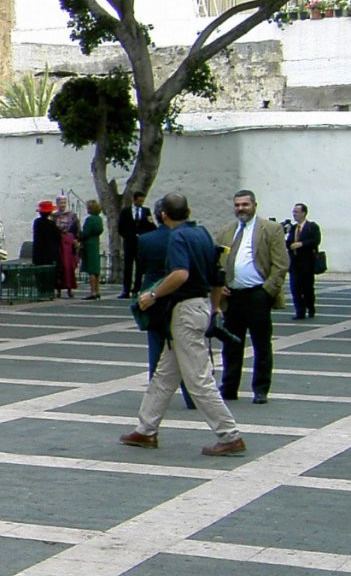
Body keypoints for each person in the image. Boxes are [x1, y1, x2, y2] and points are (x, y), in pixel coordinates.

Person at [121, 192, 245, 456]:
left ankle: (229, 434)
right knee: (165, 374)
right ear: (188, 210)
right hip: (199, 305)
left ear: (163, 215)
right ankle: (146, 429)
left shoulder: (178, 236)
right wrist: (213, 308)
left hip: (185, 310)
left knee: (198, 380)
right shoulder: (201, 233)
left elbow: (180, 274)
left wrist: (152, 294)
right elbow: (216, 275)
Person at [215, 189, 289, 404]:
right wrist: (220, 286)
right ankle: (229, 387)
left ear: (254, 205)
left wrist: (268, 291)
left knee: (261, 344)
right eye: (237, 205)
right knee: (231, 345)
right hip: (232, 296)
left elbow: (281, 264)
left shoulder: (271, 229)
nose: (241, 209)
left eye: (245, 205)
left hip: (258, 295)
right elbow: (217, 261)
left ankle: (261, 389)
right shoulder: (226, 232)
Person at [285, 203, 321, 320]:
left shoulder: (312, 226)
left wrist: (301, 244)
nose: (294, 214)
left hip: (307, 263)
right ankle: (299, 311)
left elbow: (315, 240)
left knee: (307, 288)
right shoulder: (293, 228)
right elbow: (288, 243)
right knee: (295, 287)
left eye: (296, 212)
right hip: (295, 263)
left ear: (303, 213)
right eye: (293, 212)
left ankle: (310, 308)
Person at [117, 191, 154, 297]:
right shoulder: (126, 211)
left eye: (142, 201)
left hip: (141, 243)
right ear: (134, 200)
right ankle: (126, 289)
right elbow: (121, 227)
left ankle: (137, 289)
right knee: (128, 266)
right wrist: (128, 236)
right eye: (139, 201)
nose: (141, 203)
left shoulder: (146, 211)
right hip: (129, 242)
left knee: (140, 267)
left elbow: (150, 225)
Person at [52, 196, 81, 297]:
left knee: (69, 266)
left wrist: (76, 240)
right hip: (59, 243)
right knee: (59, 266)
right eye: (61, 203)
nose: (63, 205)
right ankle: (58, 289)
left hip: (69, 244)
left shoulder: (72, 215)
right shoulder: (54, 216)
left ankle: (70, 288)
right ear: (57, 203)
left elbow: (77, 228)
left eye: (64, 202)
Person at [31, 201, 61, 289]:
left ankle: (40, 290)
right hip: (49, 253)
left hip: (38, 252)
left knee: (39, 273)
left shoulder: (37, 222)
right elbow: (58, 237)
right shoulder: (51, 224)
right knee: (49, 274)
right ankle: (48, 290)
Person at [79, 199, 105, 300]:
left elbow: (85, 233)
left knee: (91, 270)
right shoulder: (99, 219)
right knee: (96, 269)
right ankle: (97, 290)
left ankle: (93, 291)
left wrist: (79, 237)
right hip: (96, 243)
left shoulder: (89, 220)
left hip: (89, 244)